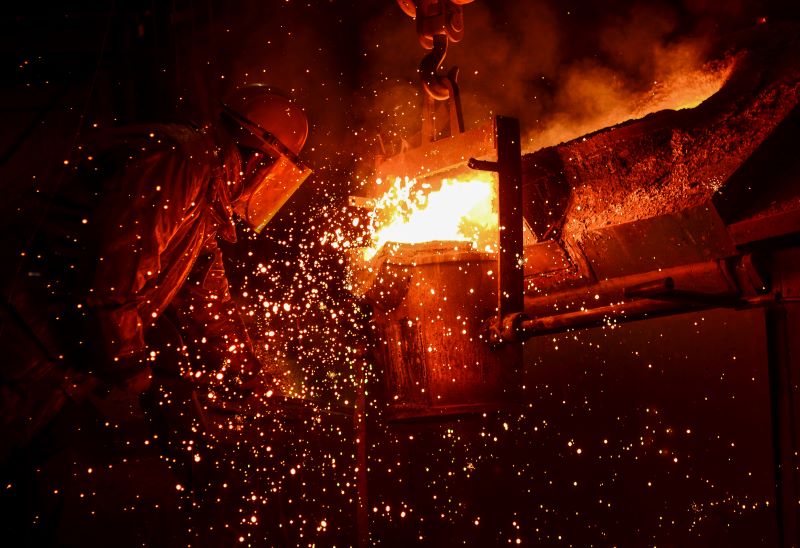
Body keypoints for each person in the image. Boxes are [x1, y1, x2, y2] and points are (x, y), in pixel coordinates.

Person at [0, 85, 312, 544]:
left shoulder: (203, 190)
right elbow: (112, 276)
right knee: (26, 490)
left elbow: (210, 305)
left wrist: (255, 381)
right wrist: (128, 365)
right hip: (21, 340)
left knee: (34, 493)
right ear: (260, 159)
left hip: (51, 360)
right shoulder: (181, 163)